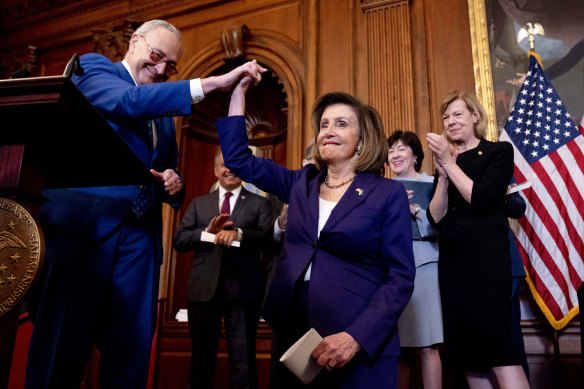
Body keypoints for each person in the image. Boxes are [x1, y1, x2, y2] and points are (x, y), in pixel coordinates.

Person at [25, 19, 265, 389]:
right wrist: (216, 82)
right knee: (61, 350)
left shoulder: (165, 115)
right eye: (157, 56)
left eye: (170, 66)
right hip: (85, 232)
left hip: (140, 240)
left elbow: (167, 172)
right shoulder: (96, 67)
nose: (161, 69)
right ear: (135, 42)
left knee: (130, 355)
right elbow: (126, 102)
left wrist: (175, 183)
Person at [216, 81, 416, 388]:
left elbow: (400, 277)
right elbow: (238, 159)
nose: (328, 131)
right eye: (324, 125)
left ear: (362, 139)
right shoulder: (301, 183)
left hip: (357, 334)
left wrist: (355, 337)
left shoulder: (388, 193)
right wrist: (239, 92)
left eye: (341, 124)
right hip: (295, 333)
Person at [426, 89, 530, 389]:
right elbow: (437, 216)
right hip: (454, 264)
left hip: (487, 263)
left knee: (500, 353)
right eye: (446, 117)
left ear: (475, 116)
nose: (450, 121)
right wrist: (443, 175)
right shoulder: (447, 162)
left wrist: (449, 164)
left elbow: (482, 199)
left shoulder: (498, 152)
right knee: (468, 357)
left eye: (458, 114)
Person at [173, 151, 273, 389]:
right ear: (215, 170)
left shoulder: (261, 203)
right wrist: (208, 233)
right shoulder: (198, 203)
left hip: (243, 291)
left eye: (234, 165)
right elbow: (180, 240)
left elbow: (270, 239)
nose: (229, 169)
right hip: (203, 291)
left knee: (243, 362)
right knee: (200, 361)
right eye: (223, 165)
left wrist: (239, 234)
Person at [387, 130, 443, 389]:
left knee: (427, 344)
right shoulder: (383, 189)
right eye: (390, 151)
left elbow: (441, 227)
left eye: (401, 149)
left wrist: (415, 211)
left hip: (425, 267)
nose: (395, 154)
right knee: (396, 347)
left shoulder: (433, 183)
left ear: (416, 155)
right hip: (388, 271)